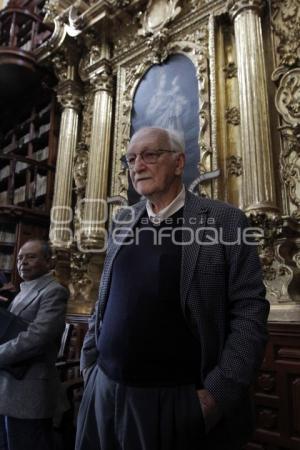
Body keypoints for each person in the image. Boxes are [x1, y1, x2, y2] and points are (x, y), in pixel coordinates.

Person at [75, 127, 269, 450]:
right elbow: (104, 295)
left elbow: (250, 312)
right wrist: (89, 363)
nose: (138, 166)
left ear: (179, 163)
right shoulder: (123, 222)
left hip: (175, 403)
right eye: (131, 158)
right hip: (103, 392)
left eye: (150, 155)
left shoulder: (224, 221)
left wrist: (216, 395)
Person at [0, 239, 69, 450]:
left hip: (30, 390)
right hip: (7, 385)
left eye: (31, 256)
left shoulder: (53, 291)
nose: (23, 262)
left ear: (49, 262)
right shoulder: (22, 290)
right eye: (20, 257)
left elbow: (38, 337)